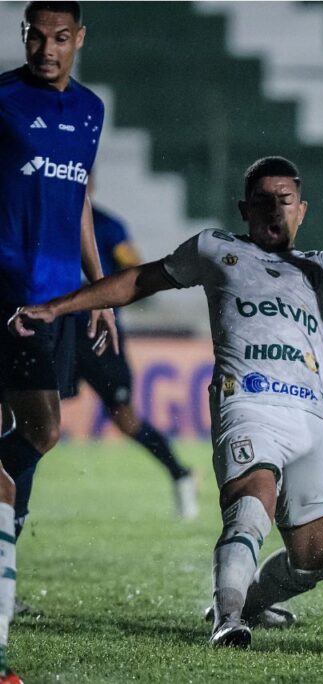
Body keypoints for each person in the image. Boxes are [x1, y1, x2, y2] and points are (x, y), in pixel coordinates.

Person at [10, 156, 323, 648]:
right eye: (262, 201)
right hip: (247, 402)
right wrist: (62, 305)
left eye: (285, 201)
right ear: (243, 209)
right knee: (250, 508)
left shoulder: (321, 268)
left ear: (303, 210)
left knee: (315, 560)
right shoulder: (217, 249)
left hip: (313, 415)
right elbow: (142, 279)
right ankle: (227, 620)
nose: (274, 210)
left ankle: (246, 604)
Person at [0, 2, 114, 679]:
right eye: (36, 37)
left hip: (56, 302)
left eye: (60, 38)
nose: (47, 49)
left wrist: (99, 293)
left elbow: (81, 205)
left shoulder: (92, 111)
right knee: (34, 432)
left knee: (32, 437)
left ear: (79, 40)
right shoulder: (4, 100)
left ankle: (6, 542)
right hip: (5, 293)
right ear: (25, 38)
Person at [73, 182, 199, 520]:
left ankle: (180, 474)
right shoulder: (45, 217)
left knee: (125, 418)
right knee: (31, 410)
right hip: (54, 331)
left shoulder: (108, 226)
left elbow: (136, 269)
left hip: (99, 334)